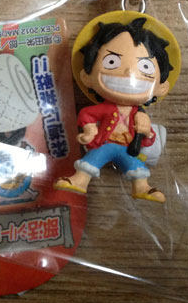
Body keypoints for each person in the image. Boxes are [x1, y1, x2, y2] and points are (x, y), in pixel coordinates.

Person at [54, 17, 173, 202]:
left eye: (145, 66)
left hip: (127, 149)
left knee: (136, 166)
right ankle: (80, 180)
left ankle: (142, 187)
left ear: (161, 87)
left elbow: (147, 141)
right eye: (111, 61)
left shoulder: (139, 115)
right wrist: (90, 129)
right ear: (86, 77)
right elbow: (87, 114)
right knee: (92, 159)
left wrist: (147, 133)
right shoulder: (106, 107)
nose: (128, 72)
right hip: (105, 144)